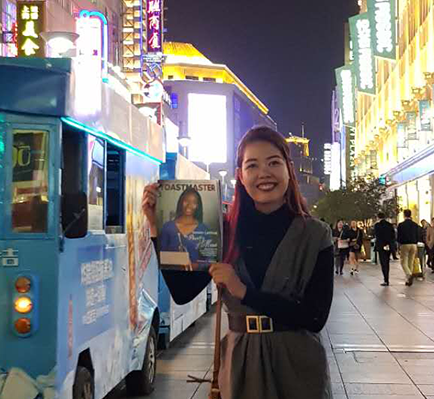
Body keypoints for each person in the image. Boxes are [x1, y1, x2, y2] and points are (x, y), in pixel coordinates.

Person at [142, 126, 334, 399]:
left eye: (273, 163)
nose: (264, 173)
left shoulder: (316, 235)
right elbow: (183, 293)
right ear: (241, 177)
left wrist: (243, 291)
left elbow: (315, 317)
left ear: (289, 170)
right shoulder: (223, 232)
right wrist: (155, 227)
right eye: (252, 165)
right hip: (241, 364)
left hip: (297, 364)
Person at [158, 187, 212, 270]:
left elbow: (210, 260)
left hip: (195, 278)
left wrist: (196, 266)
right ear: (181, 202)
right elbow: (160, 256)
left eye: (194, 202)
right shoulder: (167, 227)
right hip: (171, 277)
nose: (189, 205)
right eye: (186, 201)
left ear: (198, 206)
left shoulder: (204, 229)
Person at [397, 210, 420, 286]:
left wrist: (398, 245)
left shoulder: (401, 225)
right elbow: (418, 235)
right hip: (414, 244)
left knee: (403, 262)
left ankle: (409, 274)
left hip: (405, 244)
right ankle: (408, 280)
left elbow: (399, 236)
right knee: (410, 262)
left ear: (404, 215)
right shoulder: (415, 225)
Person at [374, 212, 395, 286]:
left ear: (378, 217)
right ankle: (387, 278)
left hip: (381, 246)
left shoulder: (377, 225)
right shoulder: (390, 225)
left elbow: (377, 235)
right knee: (387, 262)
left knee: (383, 263)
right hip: (388, 245)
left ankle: (386, 279)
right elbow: (393, 236)